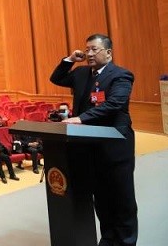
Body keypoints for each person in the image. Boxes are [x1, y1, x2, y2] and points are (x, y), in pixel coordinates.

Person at [50, 33, 138, 246]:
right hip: (88, 148)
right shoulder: (81, 73)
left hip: (114, 146)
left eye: (94, 49)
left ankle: (126, 242)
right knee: (101, 199)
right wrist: (70, 59)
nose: (89, 53)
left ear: (108, 53)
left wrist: (81, 118)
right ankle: (108, 239)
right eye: (86, 49)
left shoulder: (121, 75)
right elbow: (56, 78)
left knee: (122, 198)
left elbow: (114, 104)